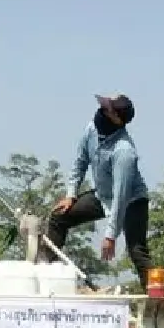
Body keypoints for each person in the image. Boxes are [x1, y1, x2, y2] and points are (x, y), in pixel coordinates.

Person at [43, 93, 150, 276]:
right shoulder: (92, 129)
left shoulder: (124, 152)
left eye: (106, 109)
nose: (100, 111)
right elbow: (80, 161)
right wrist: (71, 195)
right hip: (102, 195)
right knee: (59, 217)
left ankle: (159, 298)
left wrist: (110, 236)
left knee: (137, 251)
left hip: (131, 201)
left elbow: (120, 197)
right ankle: (48, 274)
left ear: (117, 119)